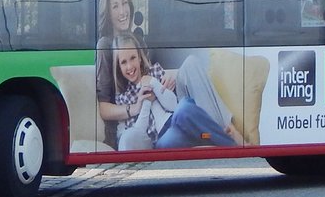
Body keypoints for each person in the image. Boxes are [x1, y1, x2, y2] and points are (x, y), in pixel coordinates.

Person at [98, 32, 243, 151]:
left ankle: (231, 145)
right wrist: (146, 103)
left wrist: (154, 83)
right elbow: (138, 132)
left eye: (133, 58)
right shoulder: (124, 97)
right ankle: (232, 145)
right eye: (123, 62)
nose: (129, 66)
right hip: (162, 138)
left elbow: (173, 105)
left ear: (140, 58)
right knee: (168, 141)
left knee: (184, 107)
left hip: (175, 120)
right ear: (118, 66)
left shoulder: (155, 71)